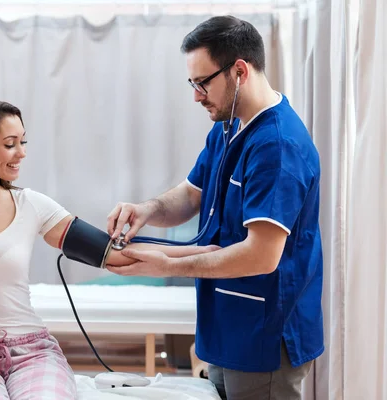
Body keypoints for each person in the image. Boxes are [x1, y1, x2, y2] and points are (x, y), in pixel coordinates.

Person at [0, 97, 217, 400]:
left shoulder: (31, 205)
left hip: (32, 353)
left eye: (23, 142)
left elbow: (113, 255)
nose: (21, 152)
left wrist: (206, 254)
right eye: (9, 144)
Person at [106, 16, 323, 400]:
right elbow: (192, 194)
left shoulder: (277, 146)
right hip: (226, 323)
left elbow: (261, 255)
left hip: (264, 333)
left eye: (202, 83)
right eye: (192, 84)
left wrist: (168, 265)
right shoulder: (228, 126)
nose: (196, 96)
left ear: (239, 71)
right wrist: (147, 209)